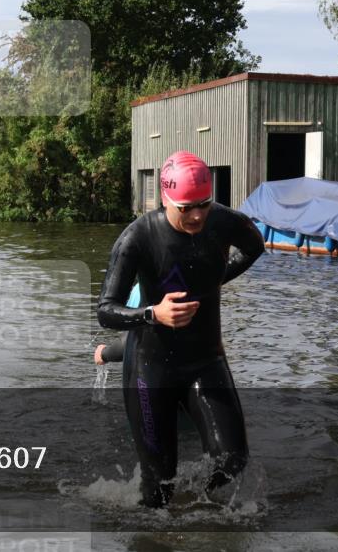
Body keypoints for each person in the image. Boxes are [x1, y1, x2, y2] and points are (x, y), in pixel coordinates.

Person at [96, 150, 265, 509]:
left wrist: (215, 278)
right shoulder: (137, 238)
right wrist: (153, 314)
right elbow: (106, 311)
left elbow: (255, 246)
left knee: (233, 460)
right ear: (165, 199)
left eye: (203, 204)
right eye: (186, 207)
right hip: (150, 367)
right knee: (158, 490)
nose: (197, 215)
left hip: (205, 360)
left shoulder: (222, 222)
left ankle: (197, 507)